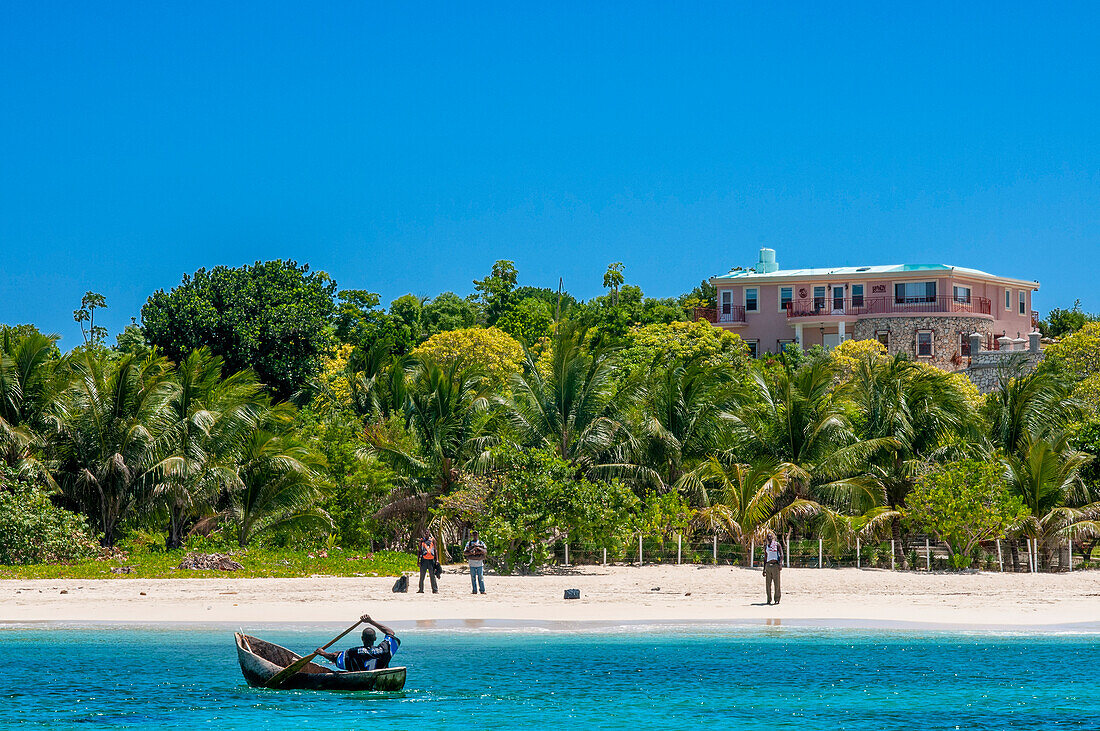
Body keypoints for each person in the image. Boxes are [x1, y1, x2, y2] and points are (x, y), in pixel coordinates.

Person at [313, 614, 400, 672]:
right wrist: (371, 621)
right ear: (375, 638)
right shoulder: (384, 649)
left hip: (361, 679)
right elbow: (390, 633)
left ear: (362, 638)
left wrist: (323, 653)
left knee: (339, 654)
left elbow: (334, 657)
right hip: (379, 675)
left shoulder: (353, 652)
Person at [463, 530, 488, 595]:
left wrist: (478, 548)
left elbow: (485, 551)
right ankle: (474, 590)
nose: (475, 536)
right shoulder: (469, 543)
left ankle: (482, 590)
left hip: (479, 563)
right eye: (474, 534)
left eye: (476, 534)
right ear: (472, 535)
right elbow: (465, 552)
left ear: (478, 535)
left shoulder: (481, 543)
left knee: (480, 577)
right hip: (472, 563)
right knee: (473, 577)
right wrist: (471, 551)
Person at [763, 531, 783, 605]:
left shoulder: (777, 545)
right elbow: (765, 558)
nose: (769, 538)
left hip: (775, 566)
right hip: (768, 565)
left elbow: (781, 555)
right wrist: (764, 569)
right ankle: (769, 599)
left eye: (770, 537)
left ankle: (777, 599)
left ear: (773, 537)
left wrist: (780, 564)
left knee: (777, 583)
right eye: (768, 537)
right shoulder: (766, 546)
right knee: (768, 584)